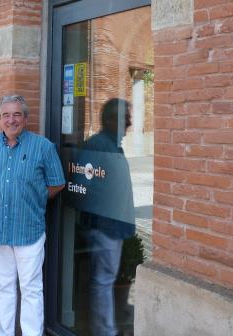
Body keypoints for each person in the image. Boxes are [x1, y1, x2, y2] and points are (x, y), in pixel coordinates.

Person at [0, 94, 65, 336]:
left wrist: (34, 200)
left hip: (29, 231)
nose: (11, 120)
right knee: (3, 286)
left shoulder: (43, 147)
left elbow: (57, 184)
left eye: (16, 114)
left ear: (25, 118)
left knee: (31, 288)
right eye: (6, 115)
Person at [79, 98, 135, 336]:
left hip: (111, 226)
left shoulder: (110, 145)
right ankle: (105, 331)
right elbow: (84, 184)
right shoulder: (98, 146)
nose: (130, 123)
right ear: (111, 120)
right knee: (103, 281)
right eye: (125, 118)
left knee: (104, 280)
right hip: (105, 227)